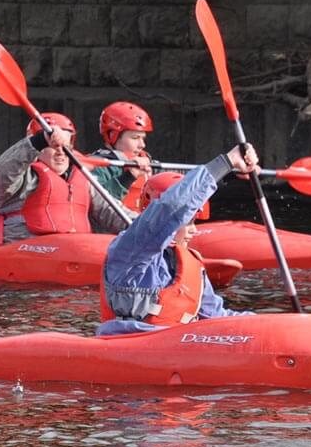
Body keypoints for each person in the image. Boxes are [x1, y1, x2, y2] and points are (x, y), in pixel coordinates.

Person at [97, 144, 259, 336]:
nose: (193, 230)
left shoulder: (192, 264)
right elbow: (172, 208)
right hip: (130, 344)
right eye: (188, 222)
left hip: (179, 346)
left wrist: (268, 324)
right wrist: (227, 162)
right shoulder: (129, 251)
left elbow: (216, 318)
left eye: (194, 222)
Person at [0, 111, 134, 245]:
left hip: (74, 250)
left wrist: (145, 225)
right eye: (53, 146)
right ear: (38, 148)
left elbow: (111, 212)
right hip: (28, 249)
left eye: (66, 147)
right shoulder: (22, 178)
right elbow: (0, 171)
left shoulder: (83, 180)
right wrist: (39, 140)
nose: (61, 152)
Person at [90, 101, 155, 209]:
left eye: (143, 138)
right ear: (112, 135)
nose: (142, 145)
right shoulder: (96, 166)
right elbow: (96, 205)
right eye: (135, 138)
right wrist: (129, 176)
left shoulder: (151, 165)